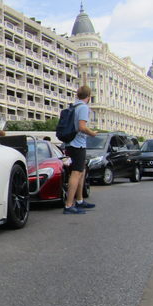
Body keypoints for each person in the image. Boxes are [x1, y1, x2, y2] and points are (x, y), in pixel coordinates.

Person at [63, 85, 98, 214]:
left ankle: (79, 200)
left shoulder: (73, 106)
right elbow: (82, 127)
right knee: (76, 173)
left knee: (81, 171)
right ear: (88, 97)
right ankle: (69, 205)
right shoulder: (83, 107)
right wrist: (92, 133)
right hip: (77, 144)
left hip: (70, 143)